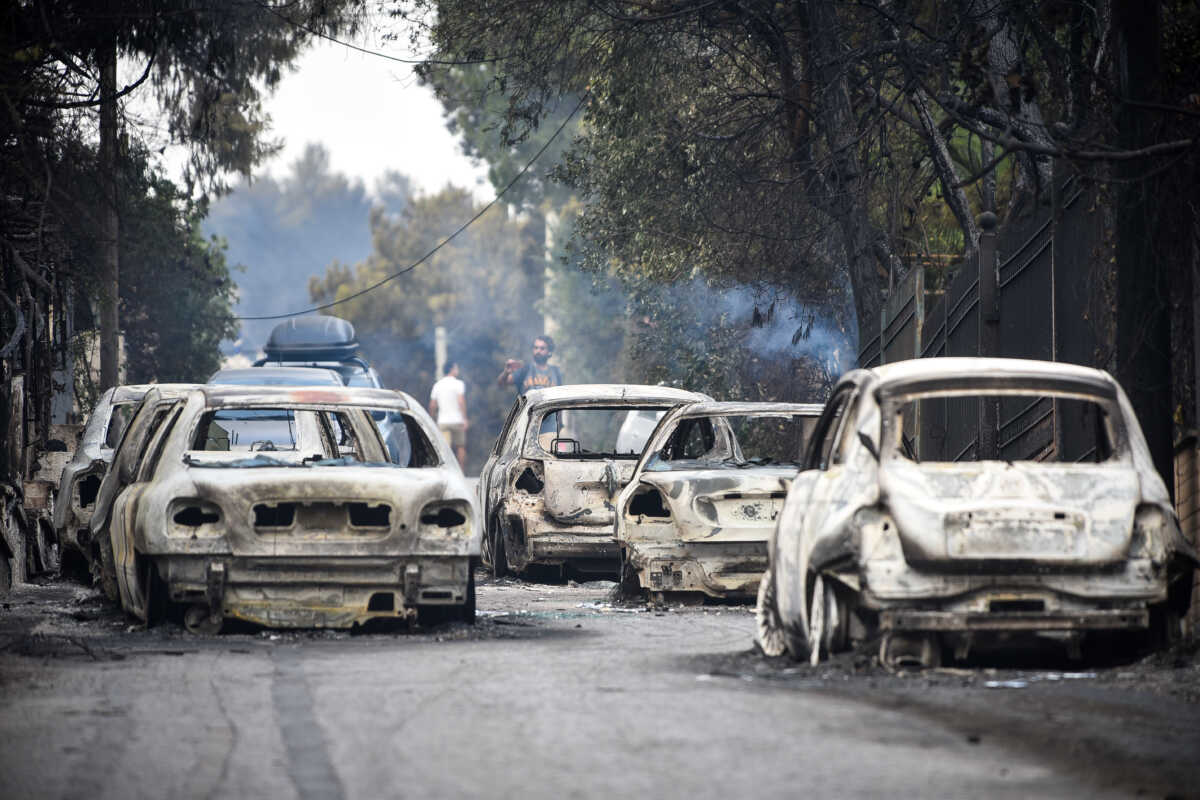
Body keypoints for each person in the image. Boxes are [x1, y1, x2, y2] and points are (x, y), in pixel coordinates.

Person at [429, 361, 468, 467]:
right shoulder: (458, 384)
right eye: (456, 368)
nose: (457, 370)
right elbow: (461, 401)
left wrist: (431, 420)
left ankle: (448, 471)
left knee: (446, 449)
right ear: (452, 369)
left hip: (443, 421)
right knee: (460, 447)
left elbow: (432, 405)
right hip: (457, 421)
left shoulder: (437, 385)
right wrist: (464, 418)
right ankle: (461, 472)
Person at [498, 334, 564, 395]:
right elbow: (502, 384)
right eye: (536, 348)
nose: (538, 351)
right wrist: (506, 372)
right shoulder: (525, 369)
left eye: (542, 348)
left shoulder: (556, 372)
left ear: (549, 351)